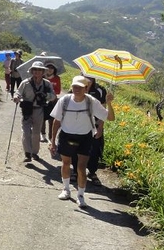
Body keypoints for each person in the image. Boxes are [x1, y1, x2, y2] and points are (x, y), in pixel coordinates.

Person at [48, 75, 115, 208]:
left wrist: (109, 103)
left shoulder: (91, 101)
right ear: (71, 87)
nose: (76, 89)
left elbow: (110, 118)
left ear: (86, 88)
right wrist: (52, 141)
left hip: (85, 137)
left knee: (81, 167)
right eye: (74, 86)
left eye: (80, 87)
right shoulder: (65, 100)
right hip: (66, 135)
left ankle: (80, 195)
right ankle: (66, 189)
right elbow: (57, 121)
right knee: (66, 163)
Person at [14, 61, 56, 164]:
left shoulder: (47, 84)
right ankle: (27, 153)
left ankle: (34, 152)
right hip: (27, 110)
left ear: (43, 72)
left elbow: (53, 96)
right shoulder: (25, 83)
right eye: (35, 70)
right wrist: (17, 97)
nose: (37, 72)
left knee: (36, 133)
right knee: (26, 131)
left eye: (39, 70)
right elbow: (18, 92)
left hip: (39, 110)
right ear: (32, 71)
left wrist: (45, 96)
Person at [83, 75, 108, 186]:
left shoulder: (100, 90)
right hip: (79, 123)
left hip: (95, 124)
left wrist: (100, 126)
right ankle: (75, 170)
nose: (88, 78)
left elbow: (103, 110)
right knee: (77, 147)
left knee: (95, 149)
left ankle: (92, 172)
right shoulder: (76, 86)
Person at [40, 63, 62, 143]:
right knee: (42, 118)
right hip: (43, 100)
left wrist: (50, 92)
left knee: (52, 119)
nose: (50, 69)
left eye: (52, 68)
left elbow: (58, 90)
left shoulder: (57, 78)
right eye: (48, 67)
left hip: (53, 101)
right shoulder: (41, 78)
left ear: (54, 70)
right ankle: (43, 135)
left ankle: (51, 137)